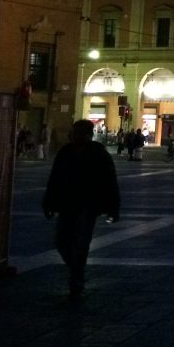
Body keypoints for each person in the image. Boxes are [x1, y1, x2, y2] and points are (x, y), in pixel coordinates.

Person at [42, 119, 120, 297]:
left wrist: (113, 208)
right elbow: (54, 178)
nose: (74, 136)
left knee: (81, 243)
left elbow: (110, 182)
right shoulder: (65, 152)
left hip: (88, 205)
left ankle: (77, 276)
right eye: (74, 132)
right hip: (67, 204)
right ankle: (76, 269)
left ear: (88, 135)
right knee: (61, 241)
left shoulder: (99, 154)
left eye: (79, 132)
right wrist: (48, 202)